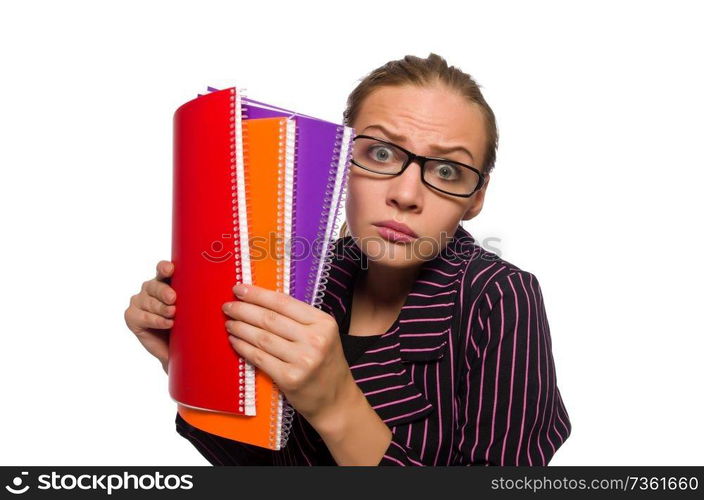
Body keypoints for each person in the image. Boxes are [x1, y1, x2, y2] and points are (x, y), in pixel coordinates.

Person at [124, 53, 571, 466]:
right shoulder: (304, 274)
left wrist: (335, 403)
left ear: (476, 198)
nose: (405, 194)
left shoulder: (499, 297)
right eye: (380, 153)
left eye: (447, 170)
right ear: (342, 159)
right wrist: (193, 362)